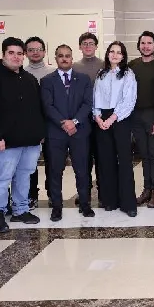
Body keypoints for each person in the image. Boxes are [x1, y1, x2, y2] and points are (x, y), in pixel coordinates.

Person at [0, 37, 44, 233]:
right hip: (3, 142)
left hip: (30, 141)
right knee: (2, 179)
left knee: (24, 176)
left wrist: (39, 133)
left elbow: (38, 108)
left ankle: (20, 210)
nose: (16, 57)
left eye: (20, 53)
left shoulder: (29, 79)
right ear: (3, 55)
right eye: (11, 53)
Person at [41, 44, 95, 221]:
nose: (64, 58)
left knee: (82, 169)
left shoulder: (84, 79)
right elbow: (47, 106)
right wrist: (63, 122)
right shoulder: (47, 81)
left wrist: (75, 121)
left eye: (67, 56)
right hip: (56, 133)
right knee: (55, 171)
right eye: (60, 56)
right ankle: (57, 206)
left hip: (79, 132)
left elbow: (88, 103)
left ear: (72, 58)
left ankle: (85, 204)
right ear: (55, 58)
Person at [93, 41, 137, 217]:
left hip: (120, 118)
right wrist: (97, 117)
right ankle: (110, 200)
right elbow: (95, 97)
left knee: (124, 161)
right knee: (106, 160)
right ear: (107, 54)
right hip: (102, 119)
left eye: (119, 52)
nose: (115, 55)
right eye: (112, 51)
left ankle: (128, 203)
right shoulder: (101, 73)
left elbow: (129, 100)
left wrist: (112, 118)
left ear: (123, 56)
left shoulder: (128, 74)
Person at [130, 31, 154, 209]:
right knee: (143, 154)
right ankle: (147, 189)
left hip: (153, 115)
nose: (146, 46)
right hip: (136, 115)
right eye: (143, 43)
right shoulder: (132, 65)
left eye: (149, 43)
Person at [73, 32, 103, 204]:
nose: (88, 46)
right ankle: (84, 190)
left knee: (101, 156)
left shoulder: (104, 65)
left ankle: (102, 189)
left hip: (101, 119)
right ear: (80, 46)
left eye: (91, 43)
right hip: (81, 119)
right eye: (84, 43)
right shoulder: (74, 67)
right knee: (83, 157)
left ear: (96, 46)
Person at [24, 35, 52, 208]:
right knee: (30, 164)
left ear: (44, 51)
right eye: (31, 50)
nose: (35, 52)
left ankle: (52, 194)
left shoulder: (53, 72)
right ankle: (31, 195)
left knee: (53, 162)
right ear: (26, 53)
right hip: (29, 126)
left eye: (38, 49)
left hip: (52, 125)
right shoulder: (21, 73)